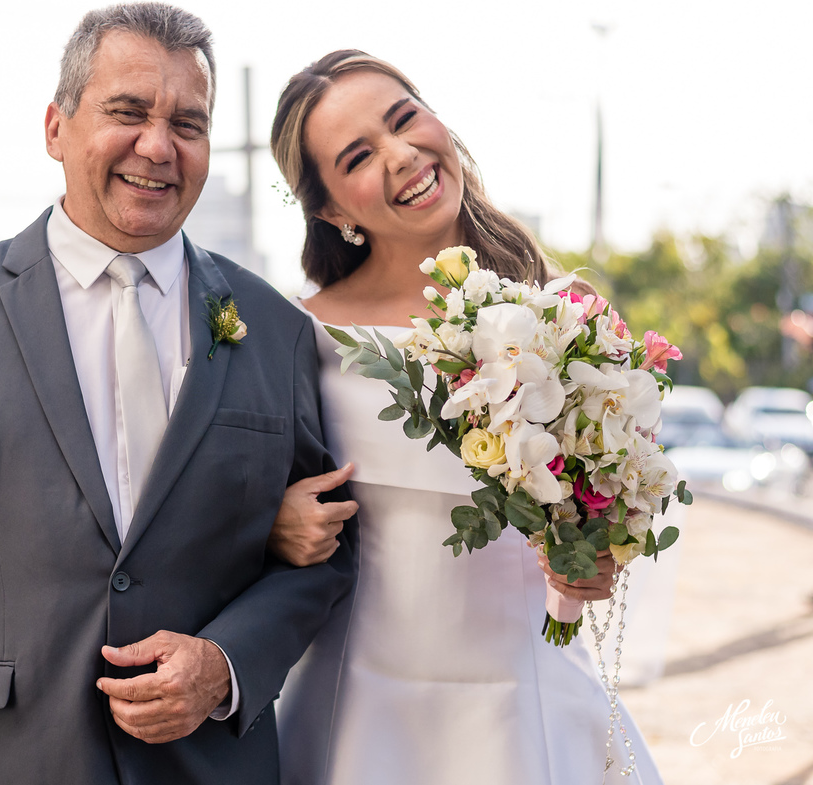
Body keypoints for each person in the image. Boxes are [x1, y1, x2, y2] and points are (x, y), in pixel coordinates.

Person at [0, 5, 356, 785]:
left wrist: (226, 661)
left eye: (188, 124)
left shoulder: (276, 328)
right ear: (56, 128)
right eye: (127, 112)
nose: (157, 147)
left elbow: (330, 549)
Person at [265, 50, 663, 784]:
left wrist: (596, 557)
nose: (401, 155)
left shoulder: (572, 312)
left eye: (404, 118)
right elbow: (245, 511)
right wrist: (273, 521)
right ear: (330, 210)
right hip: (359, 709)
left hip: (527, 703)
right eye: (358, 156)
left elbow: (621, 500)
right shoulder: (301, 336)